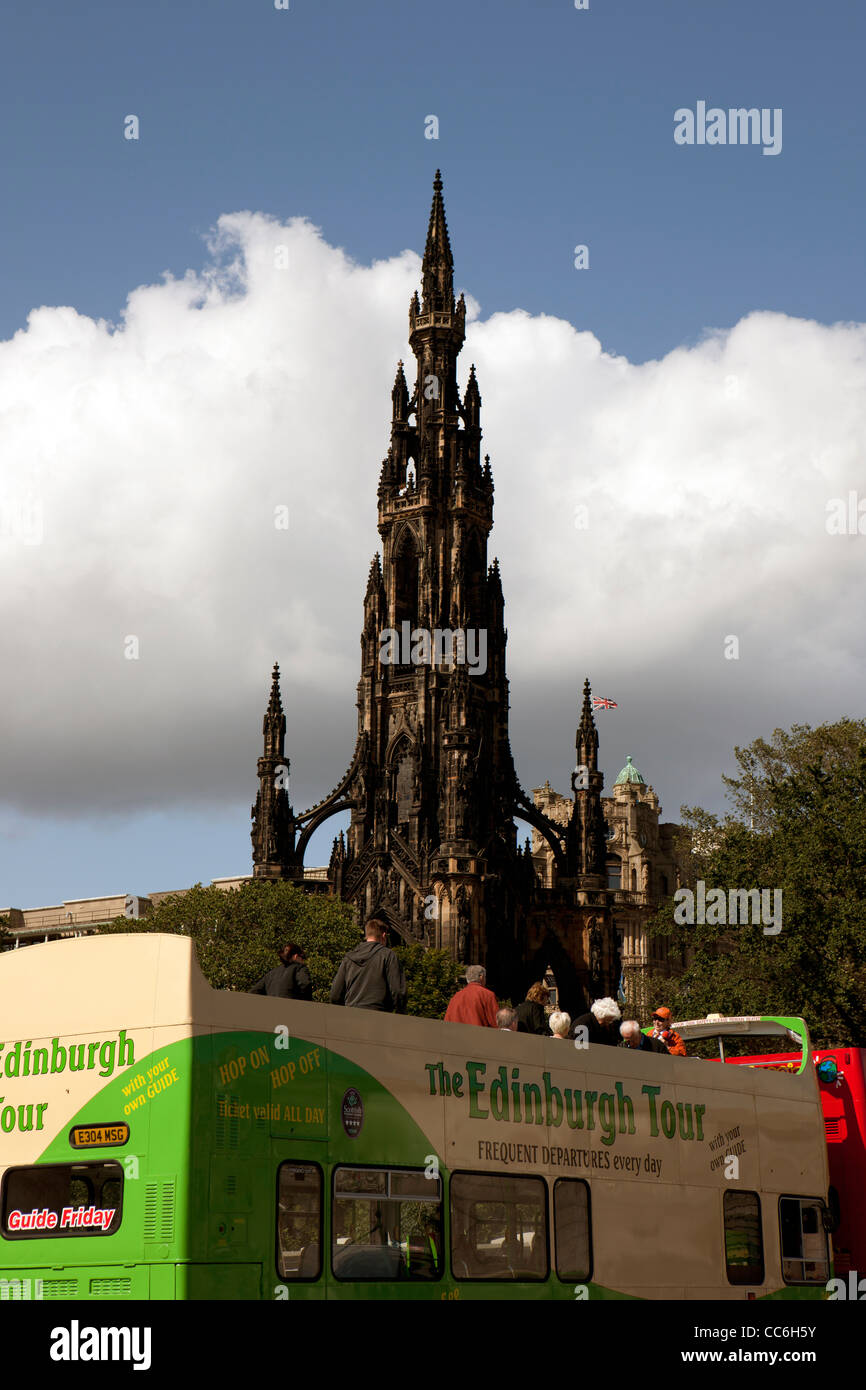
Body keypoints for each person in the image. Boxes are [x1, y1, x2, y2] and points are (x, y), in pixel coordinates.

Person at [329, 918, 407, 1013]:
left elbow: (335, 994)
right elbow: (398, 992)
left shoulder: (348, 958)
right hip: (379, 1016)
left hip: (350, 1015)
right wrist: (400, 1014)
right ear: (384, 935)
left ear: (366, 936)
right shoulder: (388, 956)